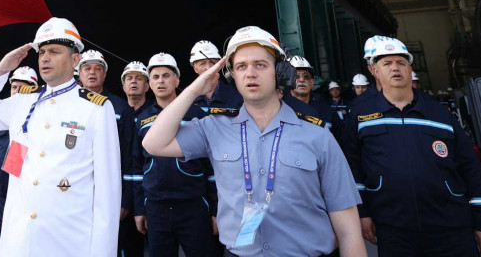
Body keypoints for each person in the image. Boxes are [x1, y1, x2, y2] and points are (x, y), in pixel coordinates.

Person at [142, 26, 366, 257]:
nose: (250, 73)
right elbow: (154, 143)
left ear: (280, 73)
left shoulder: (317, 135)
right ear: (232, 77)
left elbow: (349, 232)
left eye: (260, 65)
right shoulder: (213, 128)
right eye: (241, 67)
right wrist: (194, 89)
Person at [0, 17, 121, 256]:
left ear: (75, 60)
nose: (45, 58)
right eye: (42, 52)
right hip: (19, 240)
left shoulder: (96, 109)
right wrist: (0, 71)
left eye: (54, 51)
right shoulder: (22, 101)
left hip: (67, 242)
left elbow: (107, 194)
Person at [340, 37, 481, 256]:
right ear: (374, 71)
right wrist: (362, 212)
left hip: (450, 225)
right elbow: (352, 169)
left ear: (409, 68)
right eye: (387, 64)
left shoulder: (440, 114)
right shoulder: (360, 117)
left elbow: (470, 167)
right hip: (394, 228)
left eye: (401, 62)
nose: (395, 68)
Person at [131, 53, 217, 257]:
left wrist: (215, 210)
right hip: (156, 208)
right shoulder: (141, 119)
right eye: (156, 76)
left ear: (177, 80)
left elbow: (212, 168)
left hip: (194, 207)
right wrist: (139, 209)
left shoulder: (197, 116)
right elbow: (136, 166)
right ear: (149, 83)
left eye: (166, 75)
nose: (161, 81)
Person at [79, 48, 140, 257]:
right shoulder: (68, 105)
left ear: (105, 75)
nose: (92, 72)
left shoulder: (119, 107)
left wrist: (126, 200)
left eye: (98, 68)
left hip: (110, 193)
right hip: (77, 192)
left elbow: (130, 156)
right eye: (87, 68)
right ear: (79, 73)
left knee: (113, 247)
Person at [0, 66, 38, 257]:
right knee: (0, 240)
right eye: (14, 87)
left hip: (27, 195)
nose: (16, 91)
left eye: (22, 87)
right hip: (2, 194)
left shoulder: (40, 120)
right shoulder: (2, 118)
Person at [190, 40, 243, 113]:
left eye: (212, 63)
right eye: (202, 64)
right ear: (195, 68)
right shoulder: (187, 101)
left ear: (220, 65)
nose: (208, 68)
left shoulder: (237, 96)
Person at [287, 55, 338, 131]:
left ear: (312, 83)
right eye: (296, 76)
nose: (301, 80)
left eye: (306, 76)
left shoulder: (327, 111)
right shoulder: (279, 110)